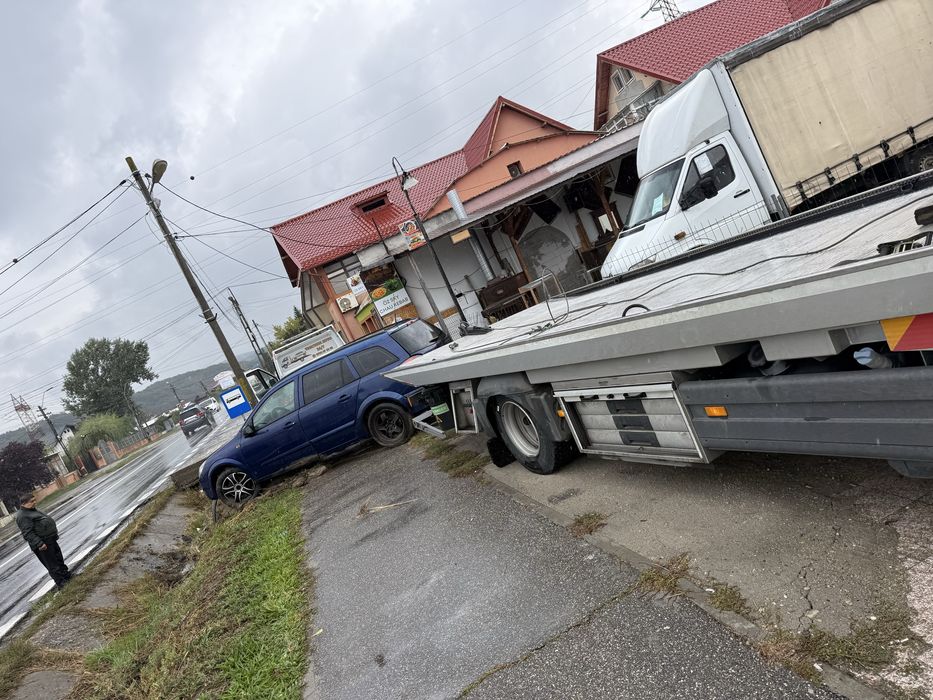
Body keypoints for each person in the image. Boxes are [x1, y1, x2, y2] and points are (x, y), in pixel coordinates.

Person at [15, 493, 72, 589]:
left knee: (58, 560)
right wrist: (39, 543)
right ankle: (61, 583)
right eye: (32, 501)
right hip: (42, 544)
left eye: (34, 500)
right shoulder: (22, 516)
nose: (34, 502)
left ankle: (67, 577)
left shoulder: (31, 510)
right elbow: (27, 533)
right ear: (24, 503)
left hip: (50, 540)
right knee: (52, 565)